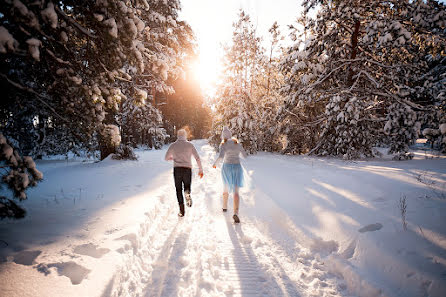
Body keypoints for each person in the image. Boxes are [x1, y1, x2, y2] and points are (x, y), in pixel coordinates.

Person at [165, 129, 203, 217]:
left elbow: (166, 157)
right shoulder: (190, 145)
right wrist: (200, 170)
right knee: (187, 186)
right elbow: (197, 158)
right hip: (187, 169)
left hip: (177, 169)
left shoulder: (173, 145)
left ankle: (182, 211)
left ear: (178, 136)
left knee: (178, 190)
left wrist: (172, 158)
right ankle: (187, 193)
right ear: (185, 135)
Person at [212, 126, 247, 223]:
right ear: (231, 135)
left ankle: (224, 207)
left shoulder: (223, 144)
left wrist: (215, 164)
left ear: (223, 136)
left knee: (226, 187)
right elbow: (244, 155)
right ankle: (235, 212)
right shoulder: (237, 143)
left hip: (227, 167)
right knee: (236, 191)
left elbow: (221, 157)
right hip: (237, 167)